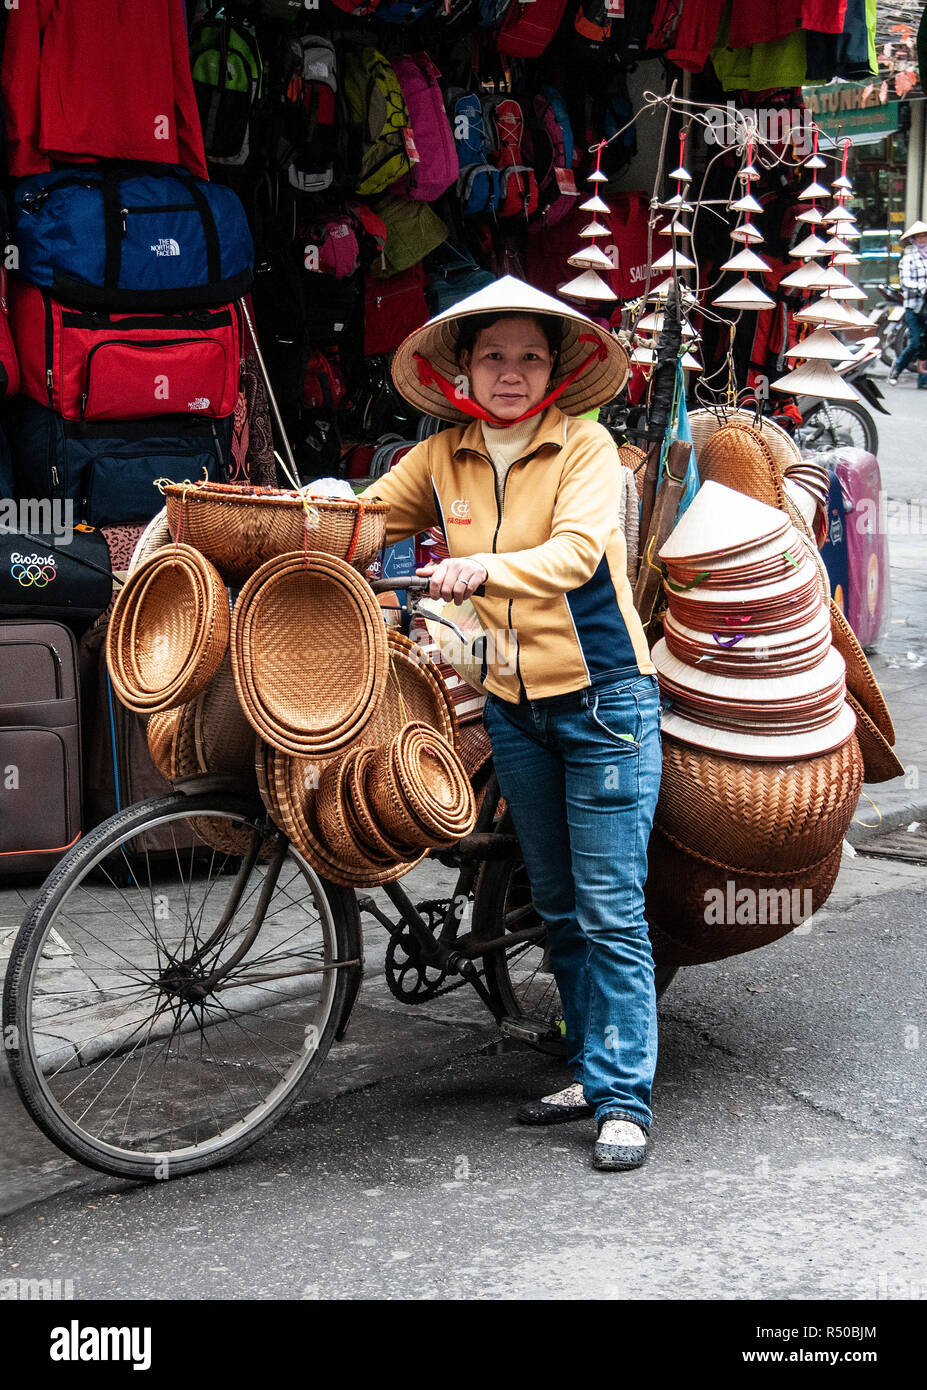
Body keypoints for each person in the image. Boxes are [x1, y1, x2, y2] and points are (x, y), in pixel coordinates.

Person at [360, 277, 662, 1171]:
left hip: (603, 699)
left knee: (609, 910)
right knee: (560, 907)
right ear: (461, 365)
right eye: (493, 355)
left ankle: (624, 1101)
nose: (511, 372)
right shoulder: (443, 456)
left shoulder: (586, 447)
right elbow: (371, 517)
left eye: (531, 357)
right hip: (514, 709)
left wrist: (480, 568)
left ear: (556, 371)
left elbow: (575, 554)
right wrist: (310, 519)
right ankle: (588, 1064)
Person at [888, 220, 927, 387]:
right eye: (919, 237)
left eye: (925, 236)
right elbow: (906, 282)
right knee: (916, 342)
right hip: (914, 305)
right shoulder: (909, 258)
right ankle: (897, 368)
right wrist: (923, 287)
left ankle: (923, 380)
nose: (922, 239)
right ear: (913, 239)